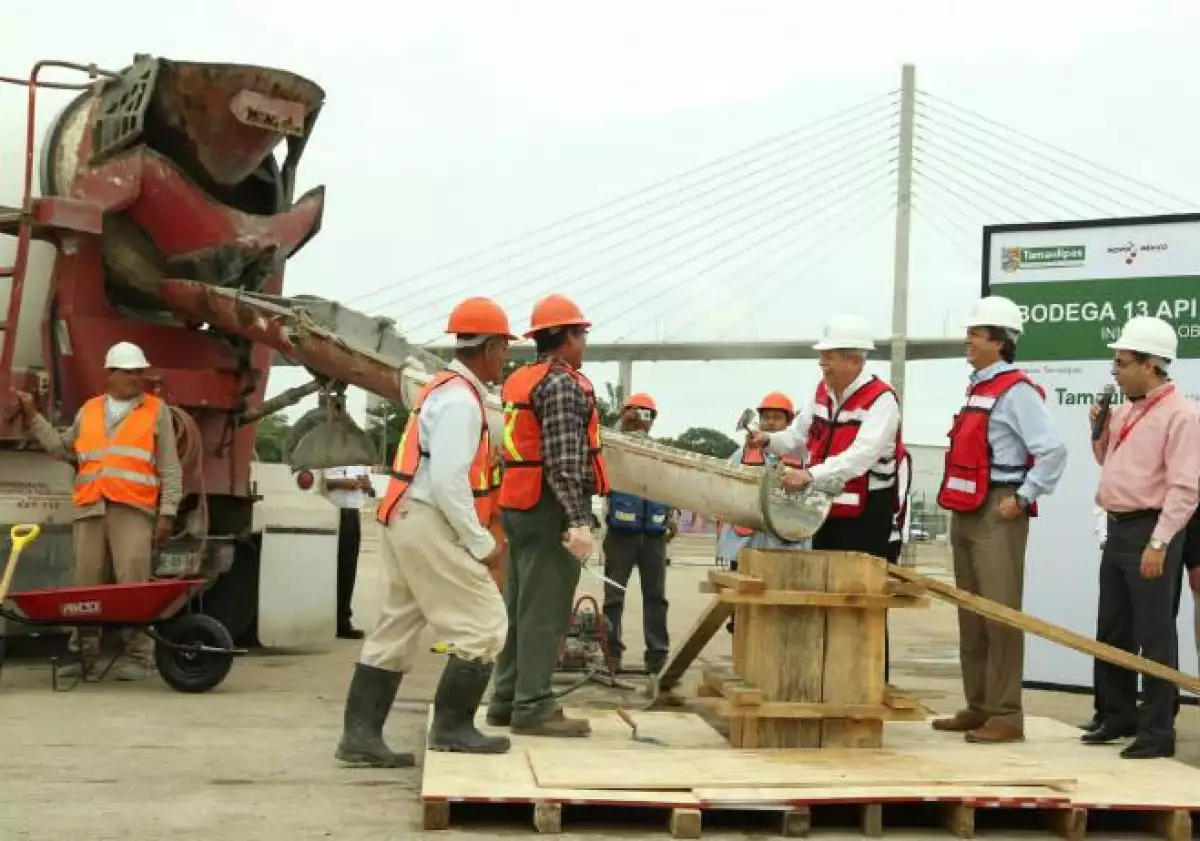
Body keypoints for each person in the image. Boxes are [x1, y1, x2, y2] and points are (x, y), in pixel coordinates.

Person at [334, 297, 515, 766]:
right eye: (504, 348)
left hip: (403, 514)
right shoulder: (463, 402)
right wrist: (480, 542)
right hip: (427, 515)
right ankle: (453, 728)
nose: (506, 358)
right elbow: (451, 481)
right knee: (485, 624)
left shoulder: (440, 389)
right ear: (490, 347)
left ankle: (359, 737)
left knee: (396, 626)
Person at [932, 295, 1067, 744]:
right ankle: (979, 707)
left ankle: (1006, 714)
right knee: (971, 615)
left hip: (997, 507)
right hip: (968, 508)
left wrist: (1023, 498)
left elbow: (1052, 450)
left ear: (999, 340)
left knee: (1000, 615)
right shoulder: (978, 387)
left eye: (975, 334)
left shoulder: (1016, 391)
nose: (967, 341)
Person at [12, 341, 182, 681]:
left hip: (132, 509)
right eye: (128, 372)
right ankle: (84, 655)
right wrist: (32, 417)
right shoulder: (89, 410)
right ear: (111, 374)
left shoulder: (156, 411)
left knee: (133, 585)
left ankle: (138, 656)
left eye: (139, 372)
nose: (135, 378)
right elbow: (62, 448)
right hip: (90, 508)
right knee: (85, 588)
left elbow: (170, 467)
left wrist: (168, 512)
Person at [486, 293, 611, 738]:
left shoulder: (520, 379)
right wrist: (578, 520)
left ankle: (506, 699)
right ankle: (534, 704)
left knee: (519, 605)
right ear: (566, 338)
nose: (585, 344)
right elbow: (563, 462)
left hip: (519, 503)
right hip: (547, 507)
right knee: (545, 609)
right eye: (582, 335)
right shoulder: (561, 385)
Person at [1084, 315, 1200, 759]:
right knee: (1113, 628)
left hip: (1151, 530)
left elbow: (1185, 487)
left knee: (1154, 632)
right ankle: (1116, 715)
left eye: (1122, 361)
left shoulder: (1181, 415)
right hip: (1118, 527)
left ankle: (1156, 731)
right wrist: (1098, 430)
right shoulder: (1128, 410)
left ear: (1150, 364)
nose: (1114, 370)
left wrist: (1160, 541)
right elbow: (1107, 461)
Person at [746, 315, 905, 560]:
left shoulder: (882, 399)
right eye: (822, 356)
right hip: (822, 506)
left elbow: (862, 455)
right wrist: (768, 440)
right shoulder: (819, 392)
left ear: (854, 360)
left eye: (829, 356)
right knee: (822, 575)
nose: (822, 363)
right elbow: (797, 436)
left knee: (857, 581)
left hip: (866, 512)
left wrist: (810, 475)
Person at [601, 392, 674, 675]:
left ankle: (657, 656)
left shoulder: (659, 451)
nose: (641, 419)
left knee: (656, 597)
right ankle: (611, 654)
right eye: (636, 412)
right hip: (620, 534)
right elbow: (600, 442)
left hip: (654, 535)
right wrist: (621, 423)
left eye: (647, 414)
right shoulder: (614, 445)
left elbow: (669, 486)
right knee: (613, 597)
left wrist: (671, 517)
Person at [322, 464, 376, 639]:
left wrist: (367, 485)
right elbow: (317, 483)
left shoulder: (361, 463)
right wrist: (340, 483)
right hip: (328, 512)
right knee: (324, 568)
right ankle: (322, 618)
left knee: (347, 569)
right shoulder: (326, 458)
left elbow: (369, 490)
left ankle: (342, 620)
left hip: (352, 514)